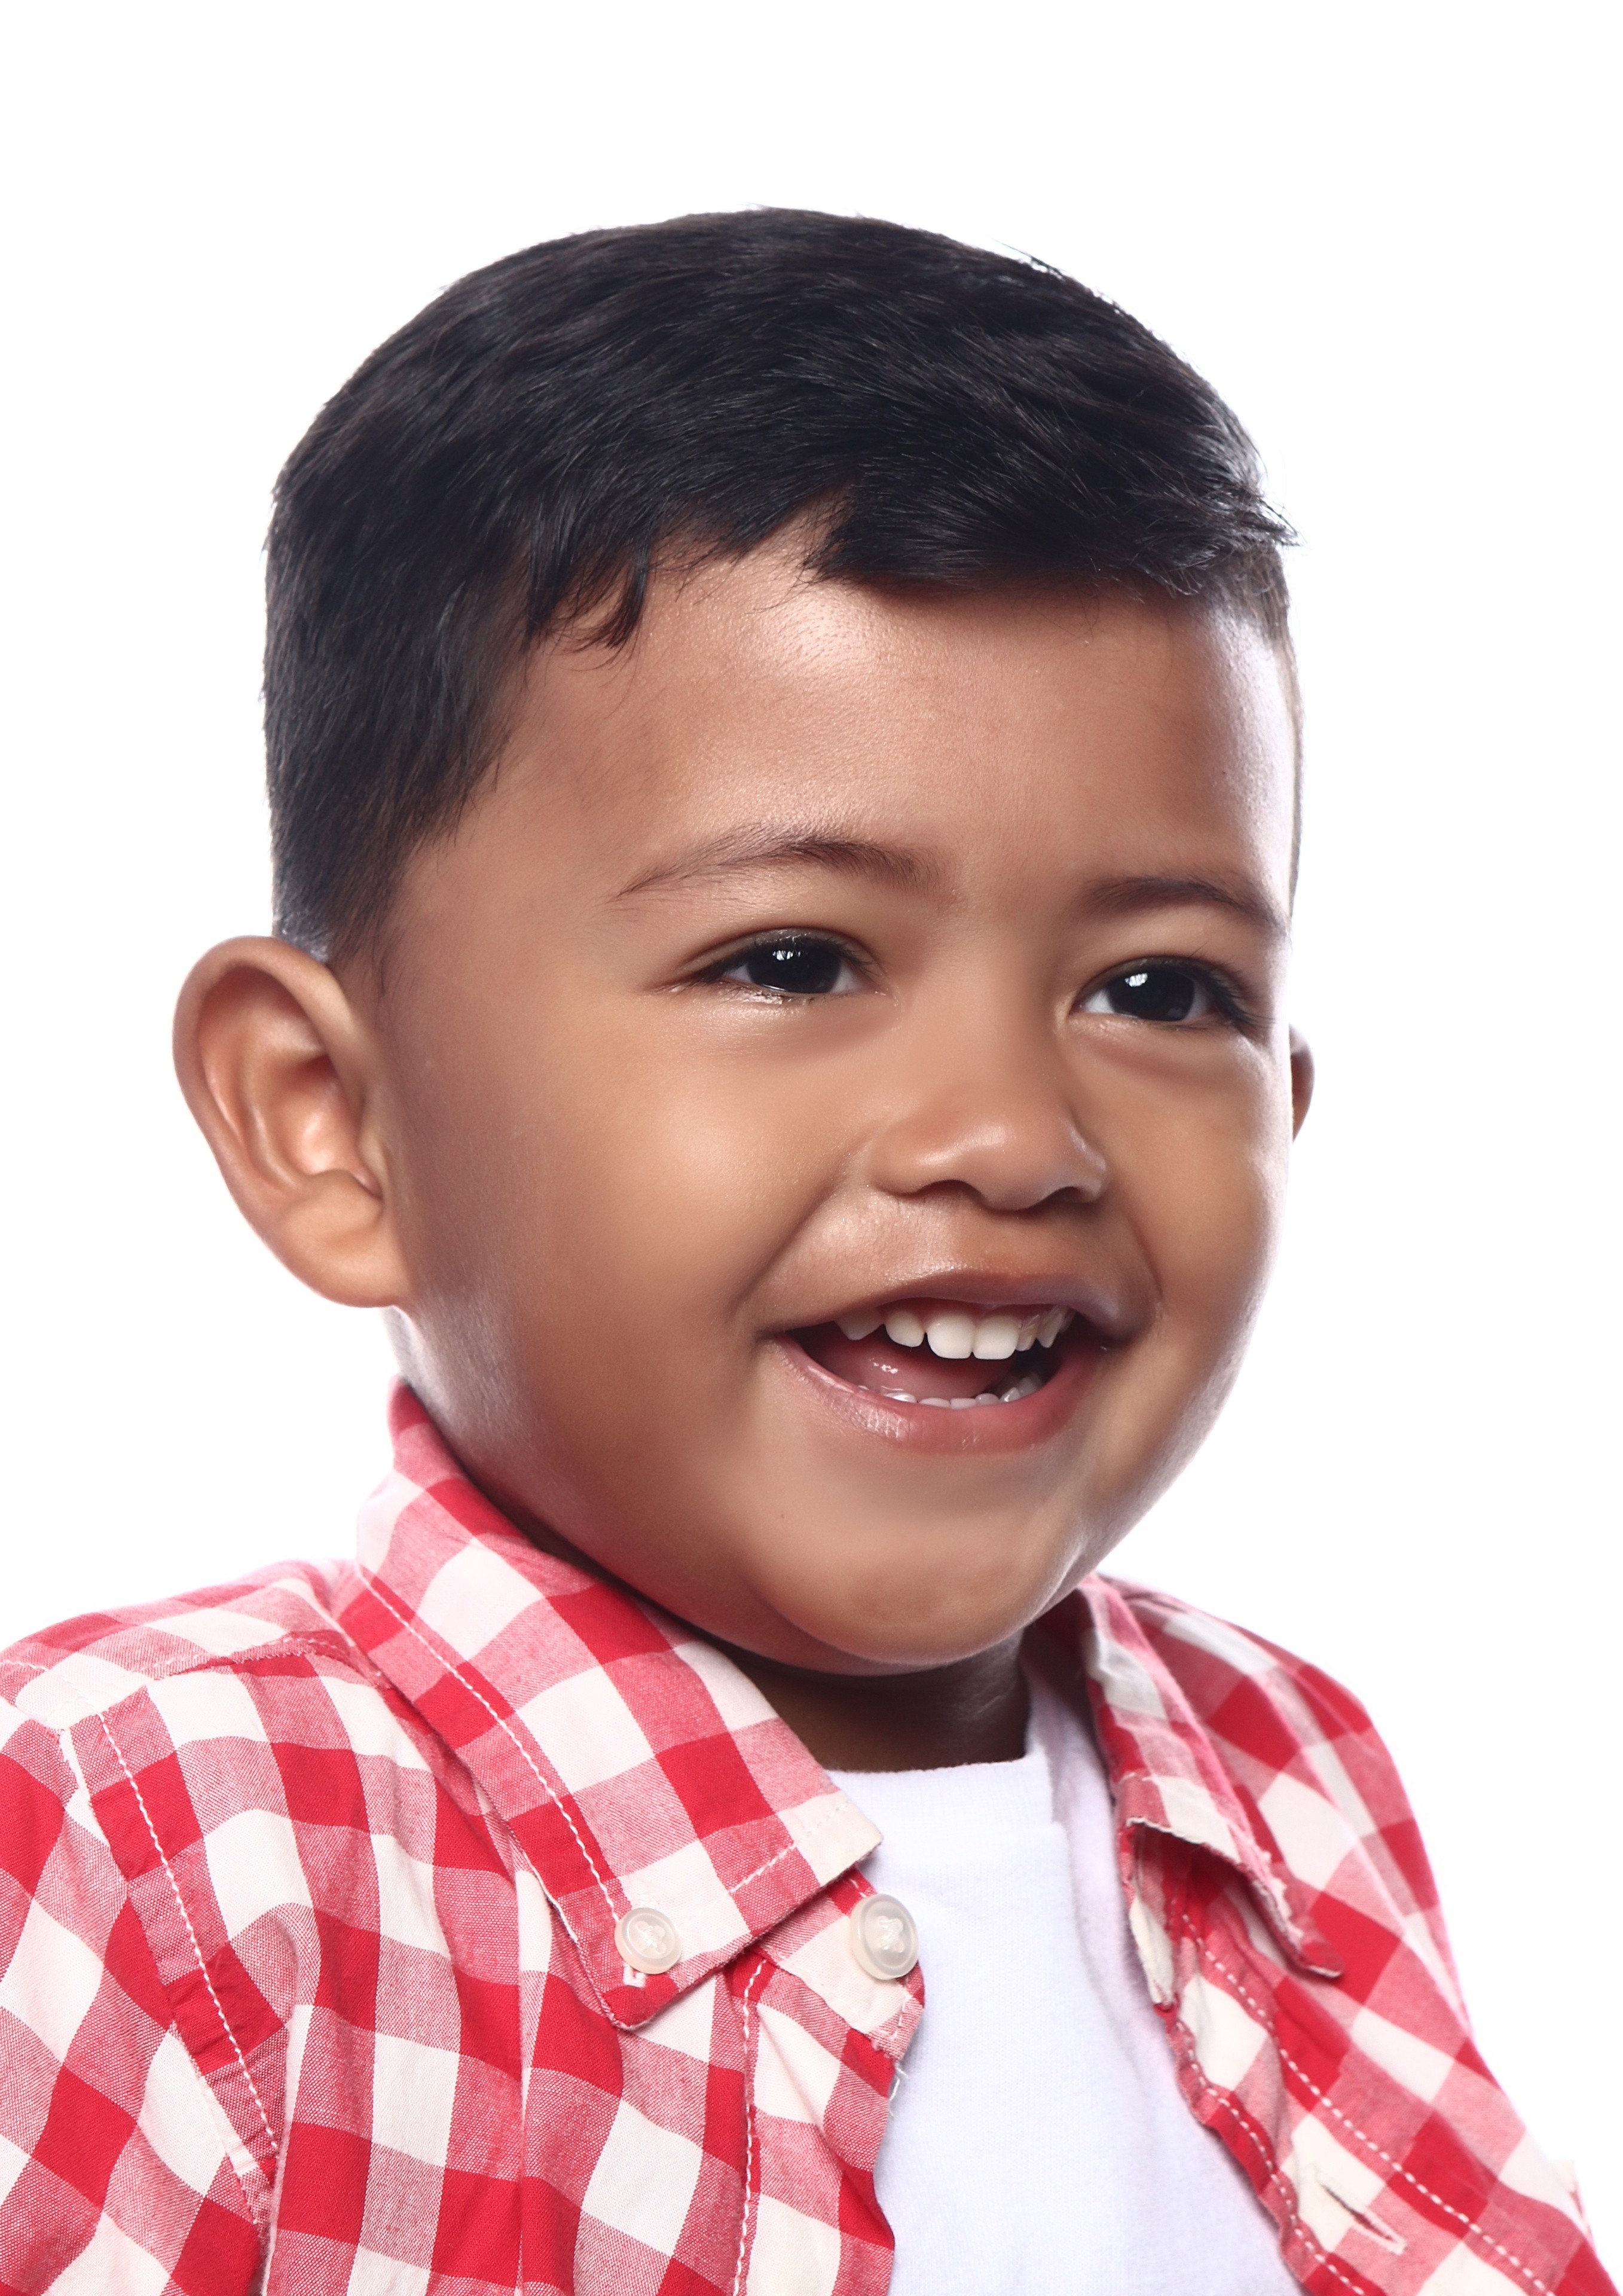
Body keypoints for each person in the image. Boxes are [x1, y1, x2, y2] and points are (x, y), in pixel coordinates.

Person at [0, 210, 1607, 2296]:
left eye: (1157, 990)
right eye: (791, 960)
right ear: (331, 1119)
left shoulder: (1292, 1793)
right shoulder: (155, 1844)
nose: (1010, 1137)